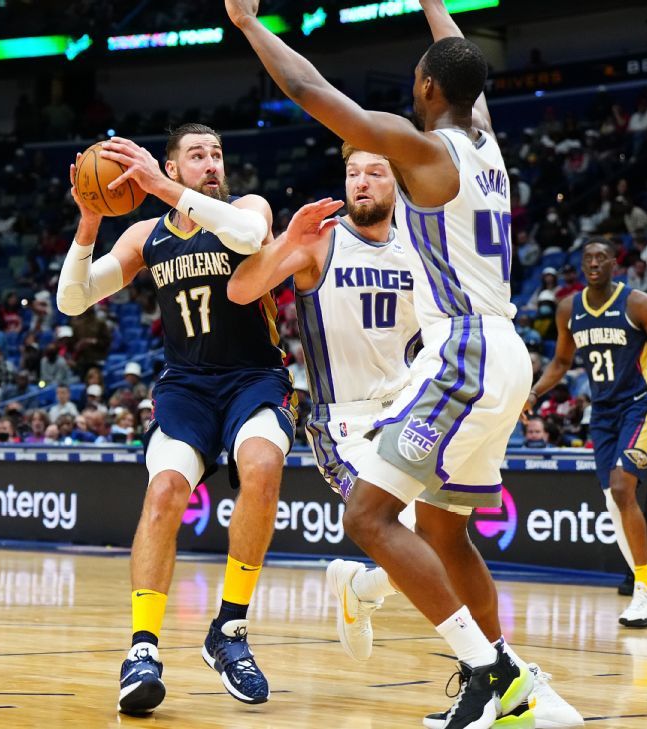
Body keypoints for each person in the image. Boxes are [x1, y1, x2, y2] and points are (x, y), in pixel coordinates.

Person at [226, 1, 535, 725]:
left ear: (427, 89)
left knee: (368, 517)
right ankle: (506, 684)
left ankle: (491, 670)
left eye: (417, 80)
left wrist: (248, 26)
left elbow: (309, 91)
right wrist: (433, 4)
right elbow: (464, 62)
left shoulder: (426, 152)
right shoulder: (486, 145)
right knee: (446, 533)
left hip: (463, 350)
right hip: (504, 354)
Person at [60, 123, 314, 713]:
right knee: (166, 492)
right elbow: (73, 300)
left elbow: (252, 236)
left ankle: (228, 631)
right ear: (173, 168)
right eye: (196, 155)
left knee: (261, 463)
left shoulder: (247, 209)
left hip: (255, 377)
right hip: (187, 388)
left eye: (216, 154)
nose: (211, 163)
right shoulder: (147, 235)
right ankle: (141, 650)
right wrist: (91, 219)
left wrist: (160, 186)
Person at [530, 238, 647, 627]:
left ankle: (645, 592)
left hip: (641, 404)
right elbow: (562, 361)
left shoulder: (638, 304)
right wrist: (533, 391)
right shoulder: (570, 308)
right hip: (602, 413)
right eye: (587, 259)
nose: (594, 263)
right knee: (614, 503)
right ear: (581, 266)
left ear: (615, 264)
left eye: (602, 258)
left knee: (622, 488)